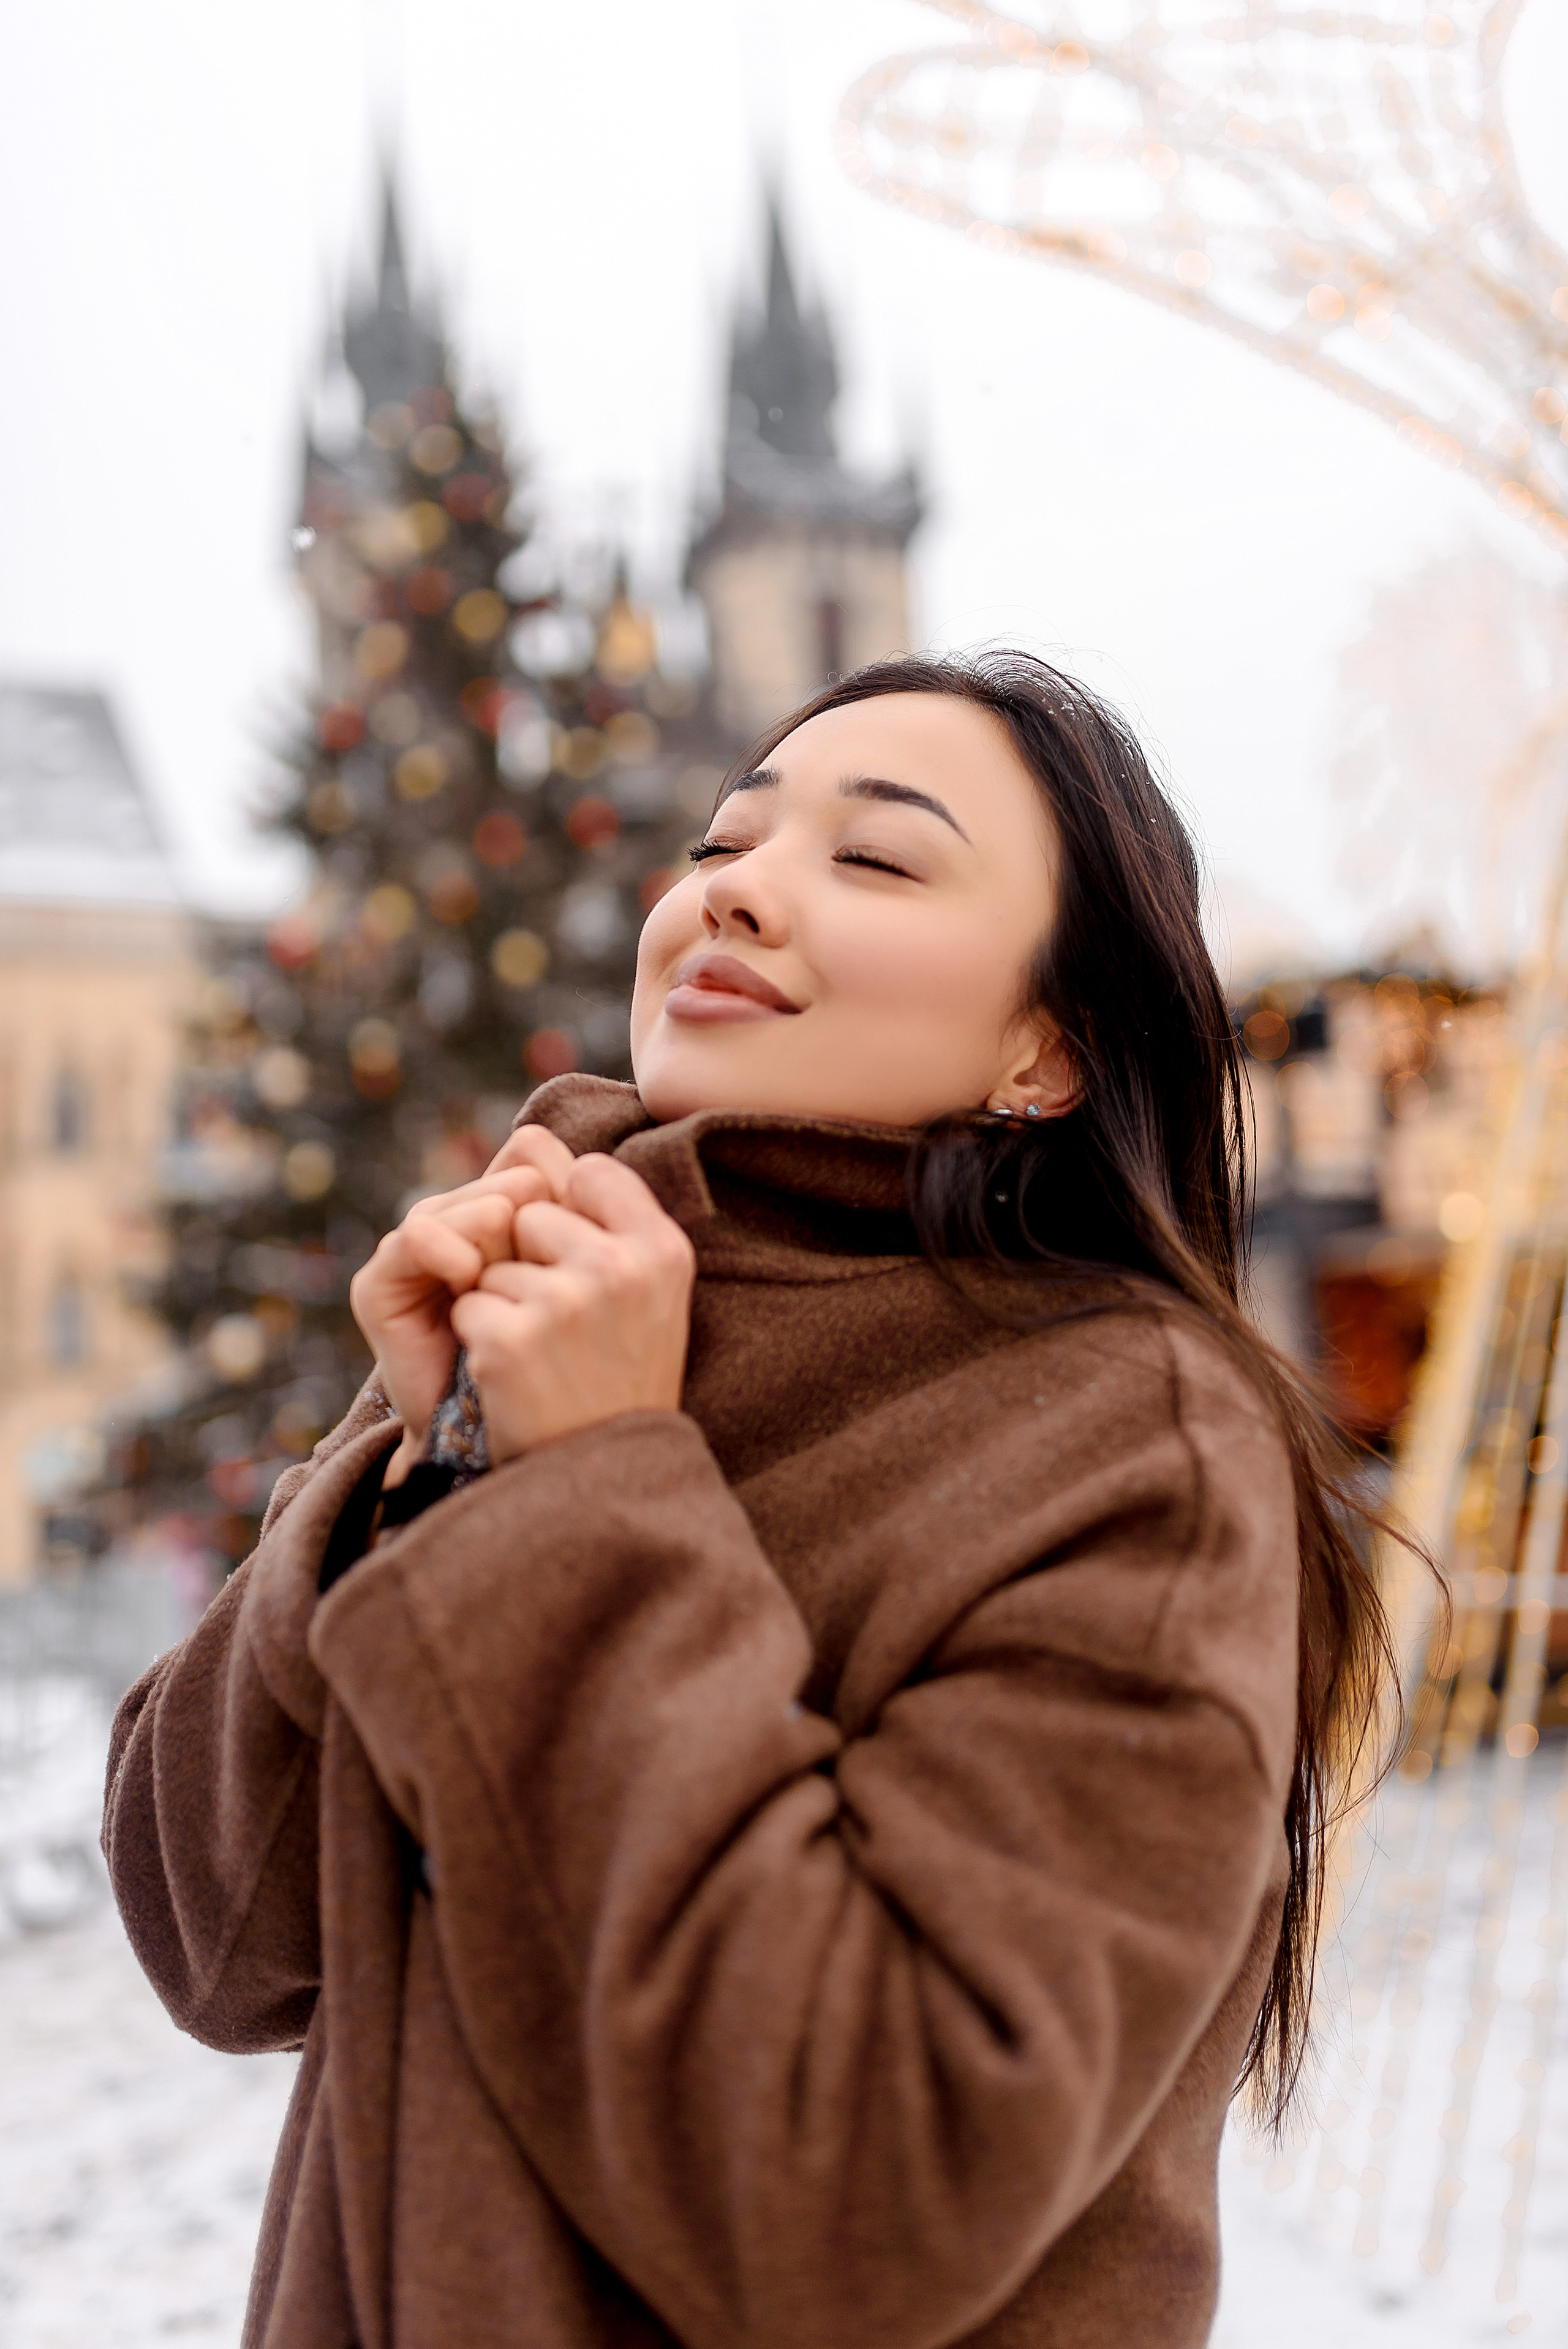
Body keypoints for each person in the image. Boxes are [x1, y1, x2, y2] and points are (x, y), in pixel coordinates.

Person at [104, 651, 1394, 2349]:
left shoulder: (1132, 1436)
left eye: (875, 858)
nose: (742, 893)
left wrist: (590, 1494)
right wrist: (409, 1482)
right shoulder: (564, 1285)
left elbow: (858, 2201)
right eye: (720, 846)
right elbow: (218, 1940)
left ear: (1050, 1045)